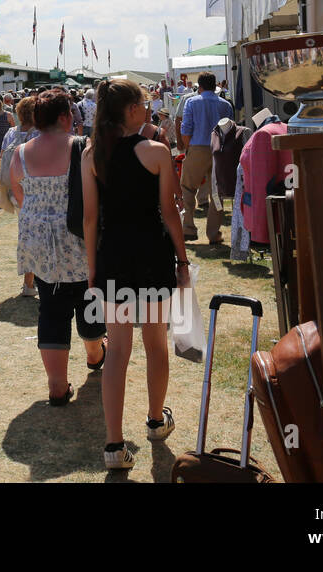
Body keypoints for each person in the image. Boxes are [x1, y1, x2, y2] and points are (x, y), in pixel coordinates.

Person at [81, 79, 188, 471]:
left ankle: (113, 445)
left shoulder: (92, 154)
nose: (147, 109)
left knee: (119, 352)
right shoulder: (156, 151)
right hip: (151, 256)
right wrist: (183, 259)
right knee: (155, 342)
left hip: (112, 258)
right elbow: (170, 213)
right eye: (142, 104)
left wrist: (92, 267)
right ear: (129, 110)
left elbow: (90, 218)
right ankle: (156, 421)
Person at [11, 92, 105, 404]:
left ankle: (57, 384)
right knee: (89, 298)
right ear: (66, 116)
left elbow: (20, 198)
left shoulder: (20, 153)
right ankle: (94, 353)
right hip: (79, 238)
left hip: (39, 242)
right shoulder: (83, 148)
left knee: (51, 309)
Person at [179, 71, 233, 244]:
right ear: (215, 85)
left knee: (187, 188)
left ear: (199, 86)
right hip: (219, 150)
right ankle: (213, 233)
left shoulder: (192, 102)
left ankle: (188, 227)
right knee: (216, 193)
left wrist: (189, 148)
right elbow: (229, 131)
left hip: (197, 147)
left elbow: (185, 129)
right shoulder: (226, 105)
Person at [1, 95, 38, 296]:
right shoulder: (39, 135)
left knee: (26, 234)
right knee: (34, 236)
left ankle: (30, 281)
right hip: (35, 192)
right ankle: (29, 282)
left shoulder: (10, 133)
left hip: (15, 192)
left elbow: (1, 159)